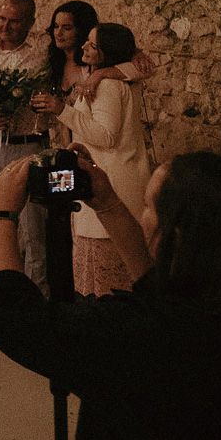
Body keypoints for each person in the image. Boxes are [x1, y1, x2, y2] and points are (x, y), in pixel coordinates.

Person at [0, 148, 221, 440]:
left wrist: (0, 215)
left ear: (175, 235)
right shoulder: (210, 305)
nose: (142, 213)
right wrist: (109, 205)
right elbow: (156, 288)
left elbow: (15, 320)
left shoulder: (138, 336)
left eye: (148, 206)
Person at [32, 24, 151, 295]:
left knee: (106, 277)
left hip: (111, 178)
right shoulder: (120, 79)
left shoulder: (107, 85)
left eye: (92, 45)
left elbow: (106, 136)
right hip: (124, 177)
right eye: (87, 40)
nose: (84, 47)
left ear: (107, 52)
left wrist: (62, 110)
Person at [0, 0, 48, 312]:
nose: (6, 26)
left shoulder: (39, 58)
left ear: (30, 23)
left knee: (32, 229)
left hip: (25, 145)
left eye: (15, 21)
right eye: (2, 19)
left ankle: (34, 300)